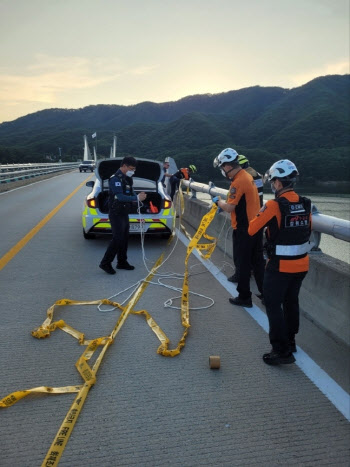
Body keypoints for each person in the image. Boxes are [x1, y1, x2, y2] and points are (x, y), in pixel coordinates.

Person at [248, 159, 312, 365]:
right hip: (302, 264)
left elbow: (251, 229)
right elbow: (308, 229)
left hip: (279, 267)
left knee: (274, 306)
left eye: (273, 181)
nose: (273, 185)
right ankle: (291, 341)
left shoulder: (274, 205)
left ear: (278, 183)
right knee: (291, 302)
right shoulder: (305, 203)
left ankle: (280, 350)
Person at [212, 148, 265, 308]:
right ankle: (266, 295)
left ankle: (244, 297)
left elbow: (229, 207)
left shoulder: (238, 182)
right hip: (256, 225)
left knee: (242, 264)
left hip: (244, 228)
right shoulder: (248, 175)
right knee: (257, 263)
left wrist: (217, 201)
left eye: (222, 167)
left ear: (228, 166)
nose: (222, 170)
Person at [99, 156, 147, 274]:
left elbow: (130, 192)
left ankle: (122, 262)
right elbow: (120, 197)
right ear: (124, 166)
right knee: (117, 238)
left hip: (124, 212)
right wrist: (136, 197)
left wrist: (138, 196)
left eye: (134, 169)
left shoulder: (127, 179)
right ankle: (105, 263)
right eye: (131, 168)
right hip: (116, 213)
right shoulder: (115, 179)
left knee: (124, 238)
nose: (133, 171)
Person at [228, 155, 264, 284]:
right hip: (258, 215)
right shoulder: (256, 174)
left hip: (246, 219)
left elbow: (232, 204)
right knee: (256, 255)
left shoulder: (243, 178)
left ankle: (241, 277)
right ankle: (260, 283)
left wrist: (221, 204)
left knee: (241, 255)